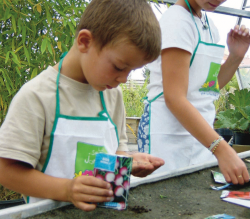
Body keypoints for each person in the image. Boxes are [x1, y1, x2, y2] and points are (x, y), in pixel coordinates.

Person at [0, 0, 165, 212]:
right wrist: (67, 190)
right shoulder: (38, 97)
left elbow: (115, 151)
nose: (123, 79)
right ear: (85, 41)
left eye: (131, 72)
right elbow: (6, 171)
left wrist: (128, 162)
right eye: (118, 67)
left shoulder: (112, 95)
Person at [138, 0, 250, 185]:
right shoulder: (177, 21)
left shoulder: (208, 24)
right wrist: (221, 148)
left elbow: (208, 87)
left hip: (200, 136)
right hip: (168, 135)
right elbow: (174, 97)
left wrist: (235, 56)